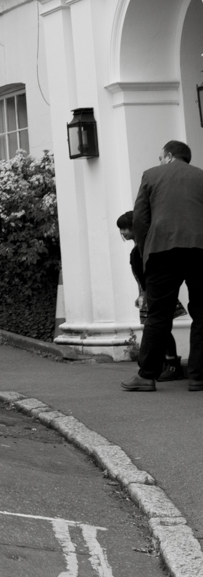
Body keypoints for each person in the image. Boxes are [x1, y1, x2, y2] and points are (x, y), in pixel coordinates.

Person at [126, 139, 203, 392]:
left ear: (169, 156)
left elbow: (140, 219)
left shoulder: (151, 175)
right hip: (199, 248)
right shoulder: (200, 177)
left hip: (162, 250)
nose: (159, 161)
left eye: (161, 157)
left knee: (159, 314)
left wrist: (143, 247)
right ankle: (198, 376)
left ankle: (146, 375)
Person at [120, 208, 184, 381]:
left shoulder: (140, 251)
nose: (122, 232)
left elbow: (146, 276)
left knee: (159, 327)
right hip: (149, 293)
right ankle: (167, 362)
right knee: (159, 327)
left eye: (125, 228)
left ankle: (172, 363)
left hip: (152, 294)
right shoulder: (142, 249)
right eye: (121, 229)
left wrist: (145, 293)